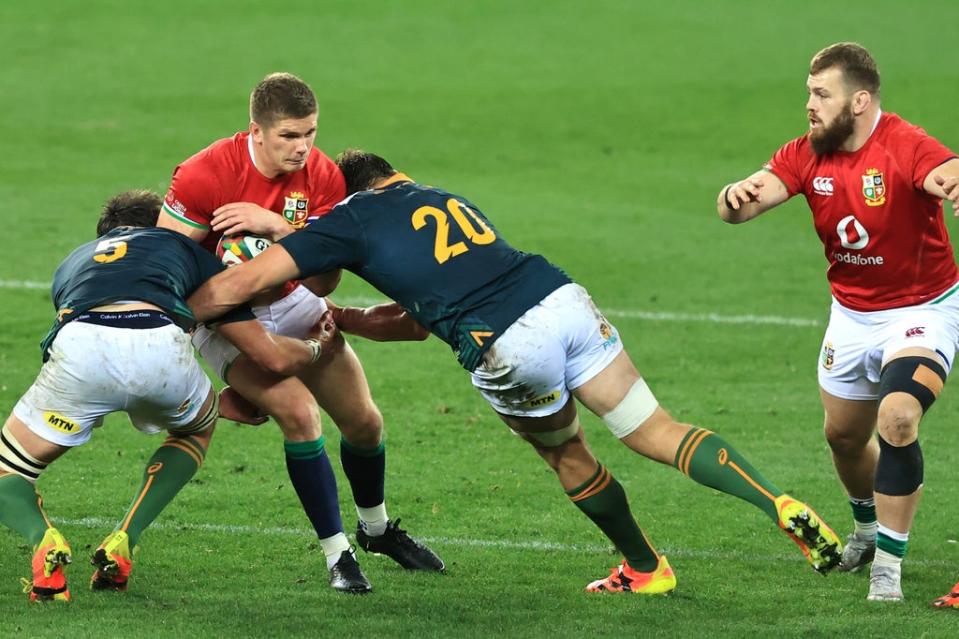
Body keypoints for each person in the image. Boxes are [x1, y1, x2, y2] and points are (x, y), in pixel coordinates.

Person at [187, 149, 844, 594]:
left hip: (505, 343)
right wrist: (350, 319)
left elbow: (244, 280)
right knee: (655, 426)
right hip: (561, 298)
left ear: (346, 191)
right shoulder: (439, 196)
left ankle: (646, 567)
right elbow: (414, 315)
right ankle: (777, 502)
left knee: (570, 456)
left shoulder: (346, 219)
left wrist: (173, 305)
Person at [155, 72, 443, 593]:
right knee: (301, 414)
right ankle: (338, 555)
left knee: (365, 425)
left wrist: (279, 230)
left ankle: (376, 530)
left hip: (296, 300)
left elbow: (325, 278)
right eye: (289, 136)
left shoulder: (325, 176)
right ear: (256, 131)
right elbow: (167, 269)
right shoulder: (204, 175)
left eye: (309, 133)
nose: (302, 147)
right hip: (226, 320)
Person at [0, 190, 337, 602]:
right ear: (164, 223)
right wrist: (316, 345)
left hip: (80, 350)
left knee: (8, 467)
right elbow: (267, 354)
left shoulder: (75, 259)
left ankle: (42, 539)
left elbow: (101, 355)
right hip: (159, 348)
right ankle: (125, 539)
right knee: (196, 430)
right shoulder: (180, 245)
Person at [715, 42, 959, 603]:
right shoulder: (808, 153)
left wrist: (953, 181)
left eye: (822, 94)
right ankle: (868, 531)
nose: (810, 103)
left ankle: (888, 571)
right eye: (808, 92)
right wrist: (733, 197)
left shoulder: (903, 143)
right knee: (844, 436)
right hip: (850, 316)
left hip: (922, 310)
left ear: (860, 101)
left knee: (898, 418)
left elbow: (942, 170)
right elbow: (745, 203)